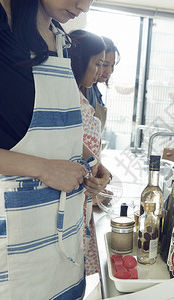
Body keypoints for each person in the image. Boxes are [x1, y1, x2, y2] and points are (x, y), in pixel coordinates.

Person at [0, 0, 111, 298]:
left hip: (63, 243)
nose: (84, 7)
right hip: (14, 250)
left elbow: (52, 125)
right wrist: (42, 168)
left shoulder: (59, 37)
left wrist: (89, 159)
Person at [67, 29, 106, 276]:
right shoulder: (65, 97)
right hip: (69, 196)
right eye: (98, 63)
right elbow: (66, 143)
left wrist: (100, 169)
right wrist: (93, 166)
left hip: (82, 197)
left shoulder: (80, 93)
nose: (101, 71)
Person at [85, 36, 120, 130]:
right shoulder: (86, 89)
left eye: (112, 65)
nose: (109, 71)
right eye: (104, 64)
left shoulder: (95, 89)